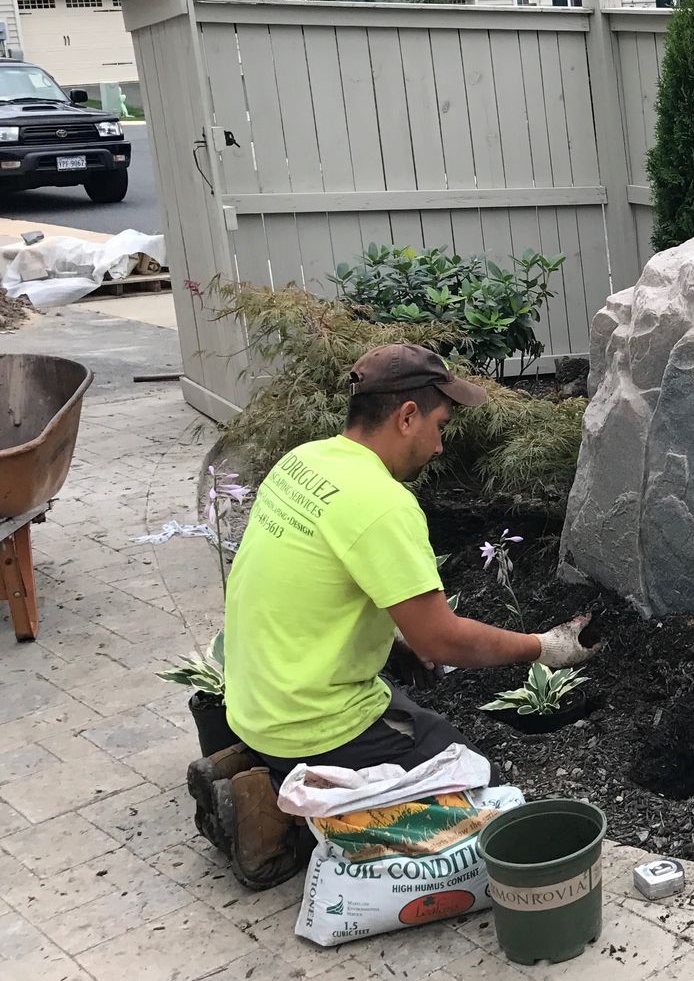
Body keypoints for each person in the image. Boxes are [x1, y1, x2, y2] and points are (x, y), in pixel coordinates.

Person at [189, 343, 597, 887]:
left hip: (255, 696)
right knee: (471, 784)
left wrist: (395, 646)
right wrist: (545, 647)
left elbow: (315, 590)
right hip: (312, 717)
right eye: (438, 425)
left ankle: (252, 762)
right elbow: (442, 641)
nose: (438, 445)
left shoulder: (303, 462)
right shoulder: (381, 502)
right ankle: (273, 811)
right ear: (407, 416)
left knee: (407, 715)